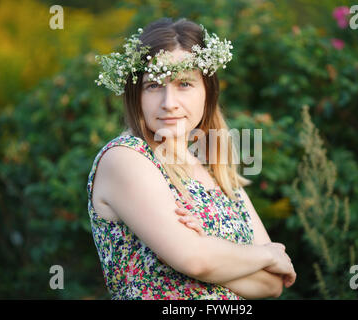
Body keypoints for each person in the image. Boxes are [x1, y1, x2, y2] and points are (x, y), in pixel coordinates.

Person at [87, 17, 296, 300]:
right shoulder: (126, 158)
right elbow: (196, 261)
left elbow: (272, 285)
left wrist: (211, 248)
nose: (169, 102)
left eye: (184, 84)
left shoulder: (215, 169)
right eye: (153, 86)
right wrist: (262, 255)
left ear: (207, 92)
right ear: (136, 95)